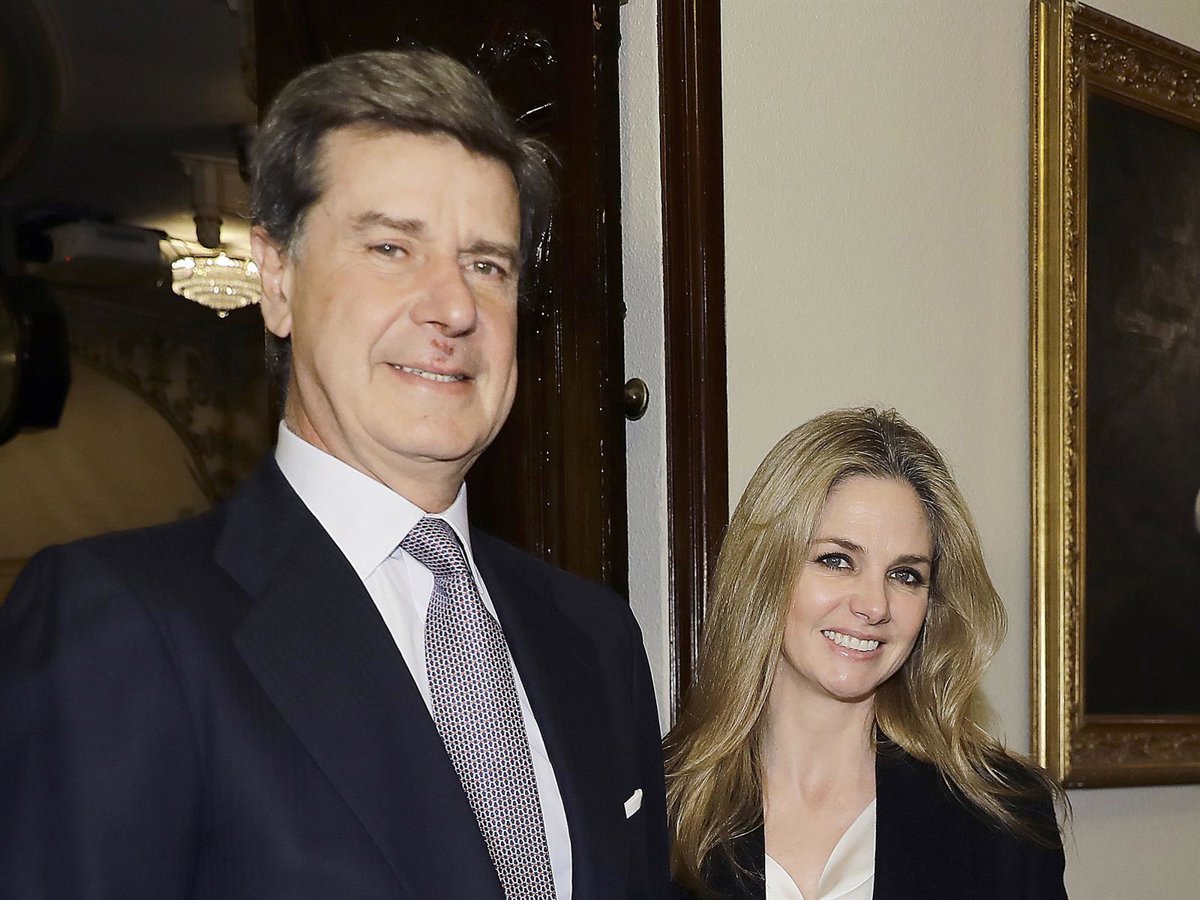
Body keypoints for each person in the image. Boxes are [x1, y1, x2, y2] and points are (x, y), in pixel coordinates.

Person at [0, 50, 668, 899]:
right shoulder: (125, 624)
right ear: (277, 279)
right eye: (392, 247)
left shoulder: (595, 640)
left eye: (487, 265)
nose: (454, 307)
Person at [665, 408, 1067, 899]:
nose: (875, 606)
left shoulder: (1003, 816)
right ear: (764, 572)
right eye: (837, 561)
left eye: (905, 575)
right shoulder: (657, 804)